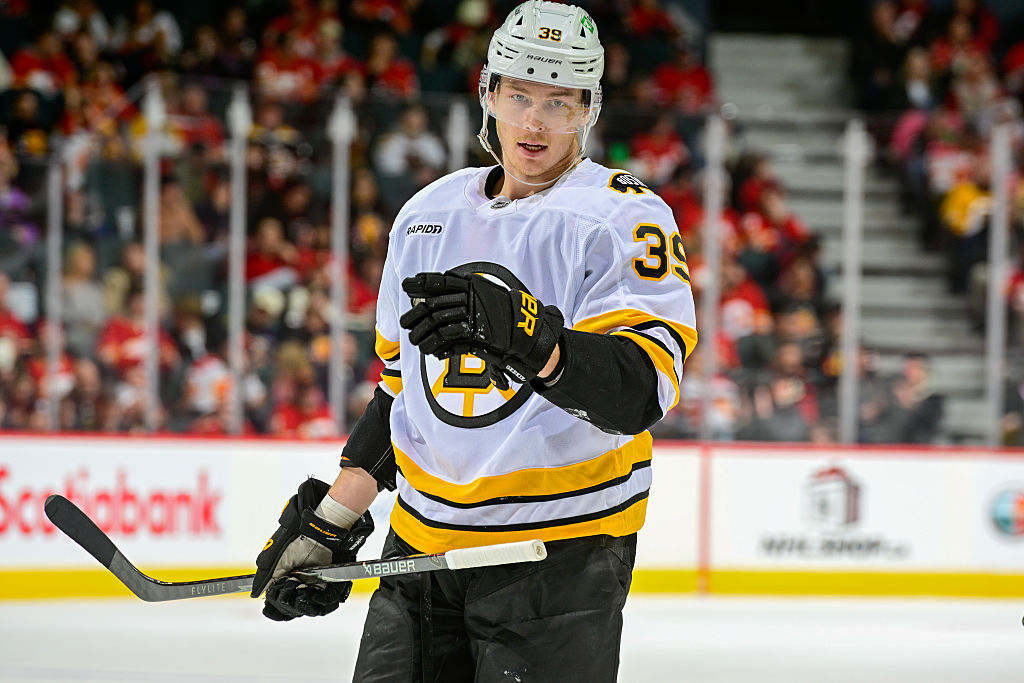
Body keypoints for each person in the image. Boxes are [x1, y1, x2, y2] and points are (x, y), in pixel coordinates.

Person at [249, 2, 697, 680]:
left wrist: (530, 335)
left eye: (560, 101)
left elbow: (638, 391)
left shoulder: (622, 215)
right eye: (519, 94)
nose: (536, 121)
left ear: (589, 109)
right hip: (423, 550)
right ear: (488, 91)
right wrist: (332, 519)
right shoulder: (427, 214)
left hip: (557, 560)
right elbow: (404, 397)